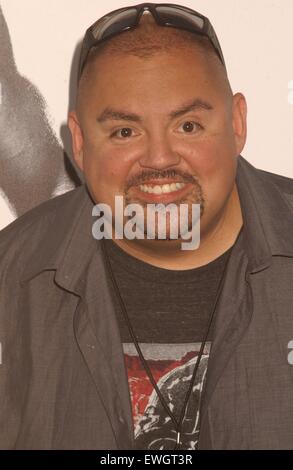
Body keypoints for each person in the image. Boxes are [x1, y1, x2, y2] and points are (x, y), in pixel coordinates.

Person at [0, 2, 293, 450]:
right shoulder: (10, 279)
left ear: (237, 124)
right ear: (78, 143)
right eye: (124, 132)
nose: (159, 159)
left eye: (188, 125)